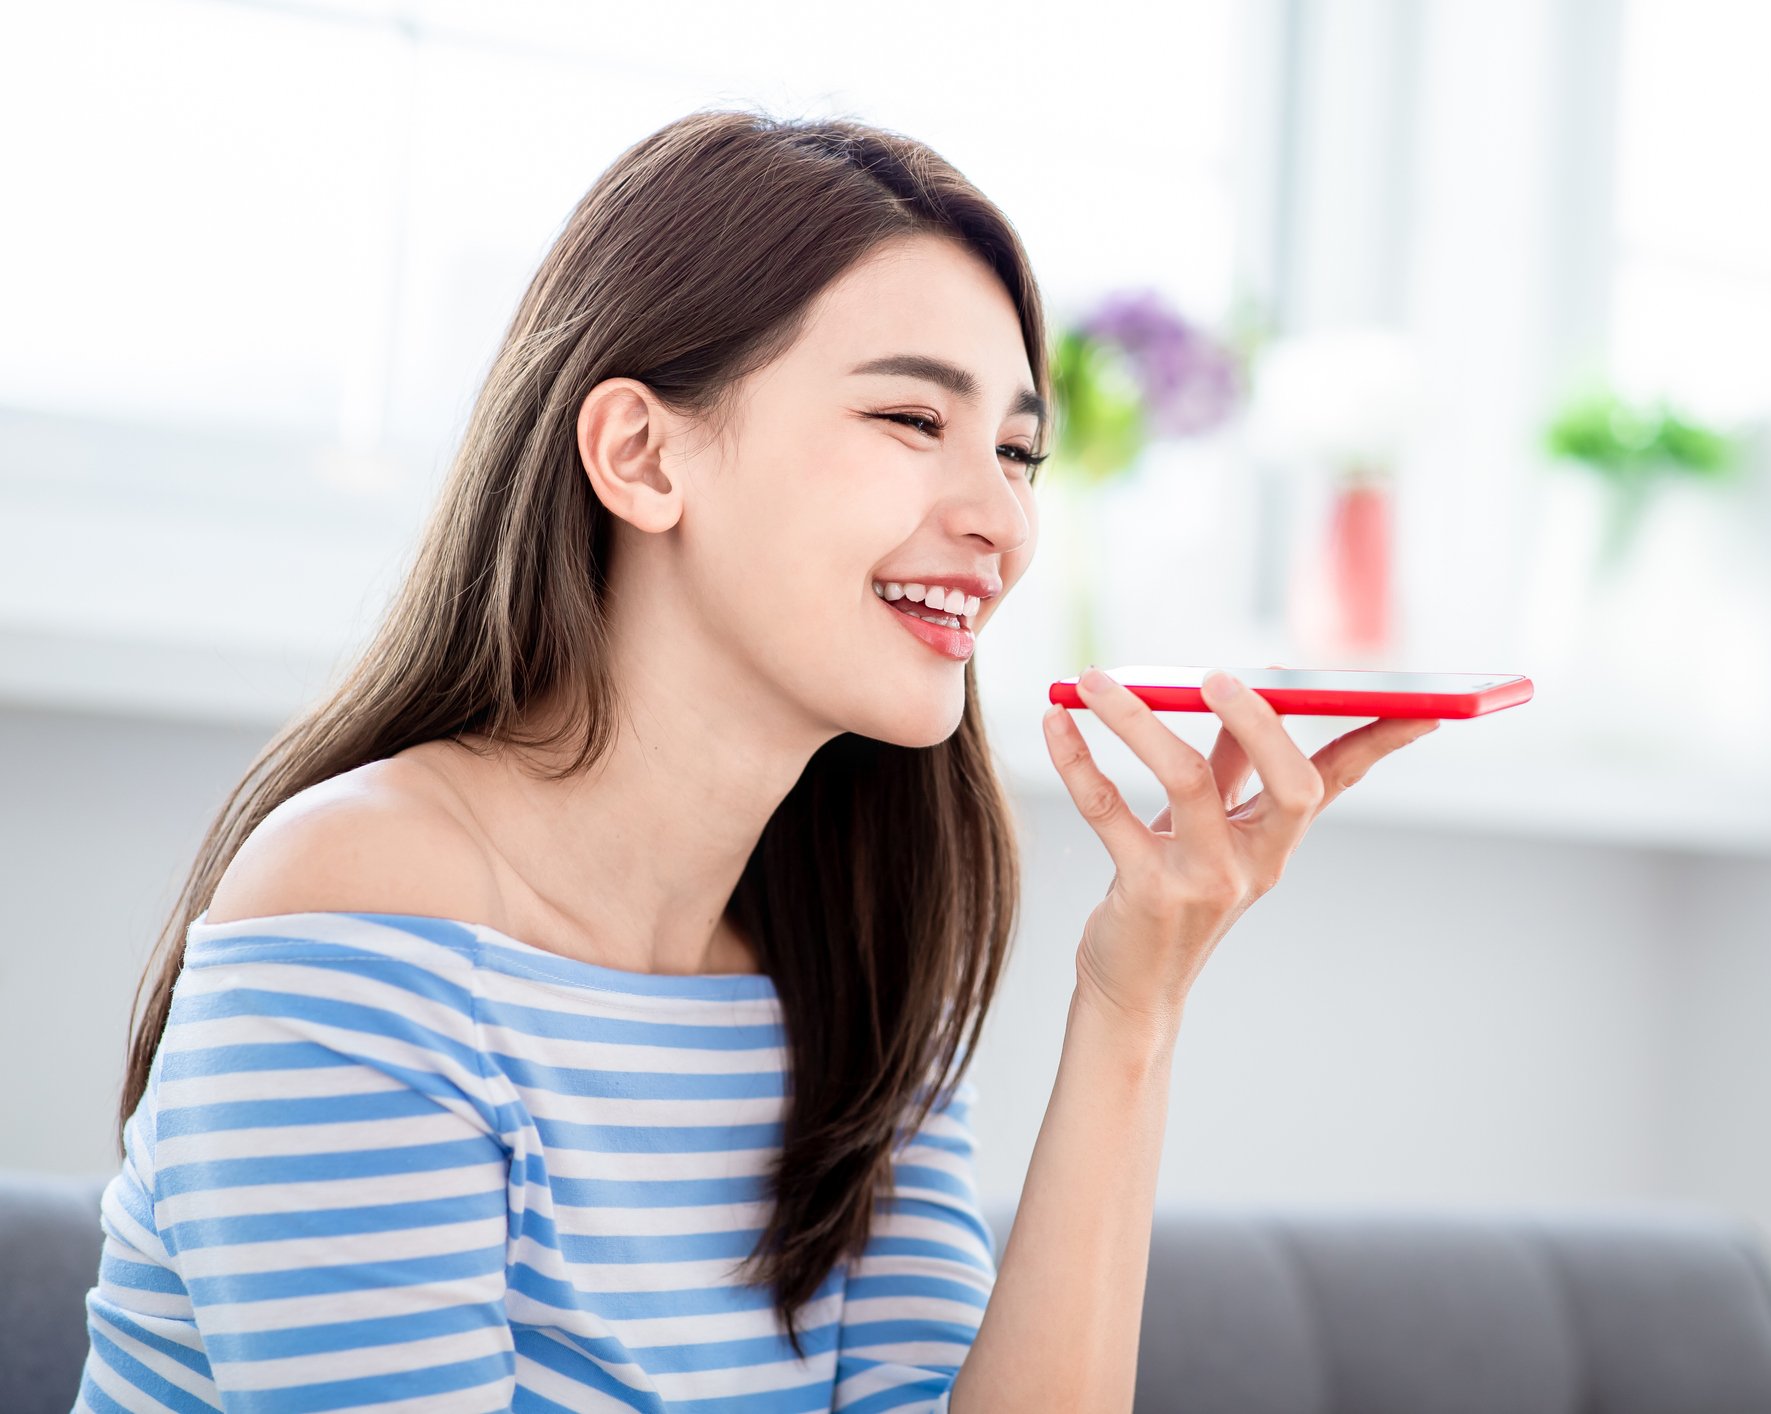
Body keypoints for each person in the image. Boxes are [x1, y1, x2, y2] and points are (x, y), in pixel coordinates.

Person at [72, 108, 1439, 1412]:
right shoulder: (365, 899)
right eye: (913, 421)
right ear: (641, 455)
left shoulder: (843, 956)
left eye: (1017, 450)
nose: (998, 520)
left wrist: (1132, 1001)